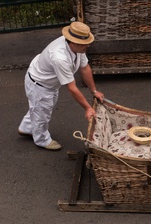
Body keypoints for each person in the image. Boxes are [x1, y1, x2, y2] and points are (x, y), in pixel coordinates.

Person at [18, 21, 104, 151]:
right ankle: (42, 139)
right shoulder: (59, 57)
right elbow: (72, 88)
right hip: (40, 83)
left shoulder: (79, 47)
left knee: (41, 107)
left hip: (49, 82)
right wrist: (87, 108)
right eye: (84, 44)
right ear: (73, 43)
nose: (88, 46)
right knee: (42, 112)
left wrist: (94, 91)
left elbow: (85, 68)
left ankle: (26, 127)